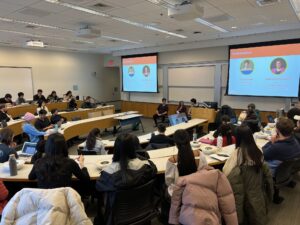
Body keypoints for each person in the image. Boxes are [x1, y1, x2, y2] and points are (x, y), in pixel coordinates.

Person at [95, 133, 157, 224]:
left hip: (119, 218)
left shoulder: (108, 174)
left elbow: (98, 187)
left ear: (115, 150)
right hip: (143, 211)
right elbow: (154, 169)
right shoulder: (147, 168)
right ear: (133, 148)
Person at [223, 125, 273, 224]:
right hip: (258, 192)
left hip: (242, 193)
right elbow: (269, 179)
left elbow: (226, 173)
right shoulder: (258, 151)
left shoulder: (237, 154)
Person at [169, 166, 238, 225]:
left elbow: (175, 202)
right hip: (209, 220)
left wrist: (173, 221)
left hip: (187, 219)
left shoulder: (183, 179)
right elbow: (228, 206)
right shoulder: (218, 176)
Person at [262, 118, 300, 203]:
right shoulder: (295, 142)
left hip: (274, 172)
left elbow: (264, 154)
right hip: (286, 171)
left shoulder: (276, 147)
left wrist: (272, 142)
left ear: (277, 131)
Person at [165, 129, 207, 195]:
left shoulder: (172, 161)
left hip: (179, 194)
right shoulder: (199, 155)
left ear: (175, 144)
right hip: (198, 189)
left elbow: (168, 182)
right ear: (189, 141)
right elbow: (205, 173)